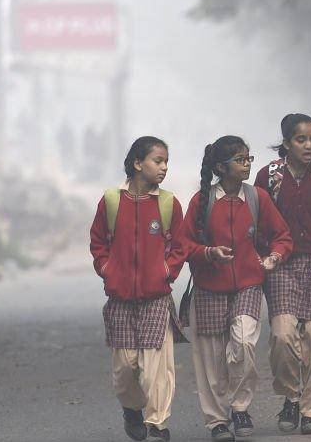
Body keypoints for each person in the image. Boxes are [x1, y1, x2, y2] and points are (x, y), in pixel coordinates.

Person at [179, 135, 293, 442]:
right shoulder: (201, 202)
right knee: (211, 361)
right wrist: (208, 253)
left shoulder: (257, 198)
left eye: (248, 158)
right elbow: (183, 244)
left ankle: (240, 407)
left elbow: (283, 236)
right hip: (208, 289)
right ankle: (217, 420)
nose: (247, 164)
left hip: (248, 285)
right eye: (241, 160)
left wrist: (273, 258)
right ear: (221, 167)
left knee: (243, 344)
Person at [89, 136, 188, 442]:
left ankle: (157, 422)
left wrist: (165, 272)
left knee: (157, 366)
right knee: (125, 369)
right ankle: (132, 410)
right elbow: (98, 243)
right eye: (158, 161)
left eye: (166, 162)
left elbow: (180, 247)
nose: (164, 168)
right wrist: (108, 271)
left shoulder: (169, 203)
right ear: (137, 163)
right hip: (120, 298)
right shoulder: (111, 200)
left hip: (156, 297)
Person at [253, 113, 311, 435]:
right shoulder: (269, 176)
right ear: (286, 143)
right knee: (283, 335)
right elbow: (256, 221)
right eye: (301, 139)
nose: (309, 145)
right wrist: (266, 257)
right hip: (282, 264)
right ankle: (291, 396)